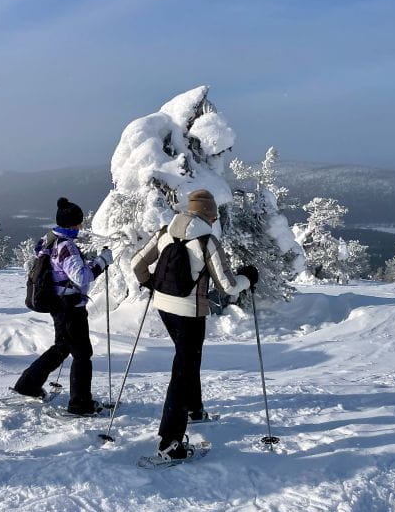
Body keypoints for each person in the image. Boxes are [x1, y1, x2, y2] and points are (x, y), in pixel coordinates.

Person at [131, 189, 258, 460]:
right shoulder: (206, 241)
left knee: (187, 360)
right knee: (183, 369)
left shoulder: (165, 232)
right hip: (190, 313)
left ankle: (194, 410)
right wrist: (248, 277)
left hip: (164, 308)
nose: (214, 221)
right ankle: (170, 444)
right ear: (209, 215)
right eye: (214, 216)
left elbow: (136, 264)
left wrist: (151, 284)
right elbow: (228, 286)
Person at [13, 197, 114, 414]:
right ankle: (80, 404)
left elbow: (60, 270)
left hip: (56, 302)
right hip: (70, 306)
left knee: (62, 348)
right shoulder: (67, 246)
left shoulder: (49, 240)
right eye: (79, 223)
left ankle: (27, 385)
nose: (81, 227)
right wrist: (102, 262)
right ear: (73, 224)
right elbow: (81, 277)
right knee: (82, 354)